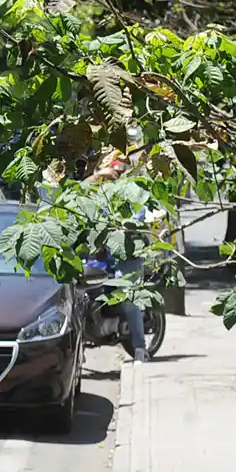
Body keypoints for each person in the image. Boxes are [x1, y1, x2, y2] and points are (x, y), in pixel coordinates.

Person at [86, 150, 148, 361]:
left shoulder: (133, 192)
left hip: (126, 256)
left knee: (128, 298)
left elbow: (138, 218)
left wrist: (118, 229)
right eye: (114, 170)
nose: (117, 175)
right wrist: (97, 177)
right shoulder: (99, 192)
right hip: (101, 258)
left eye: (122, 170)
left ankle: (140, 348)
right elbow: (79, 195)